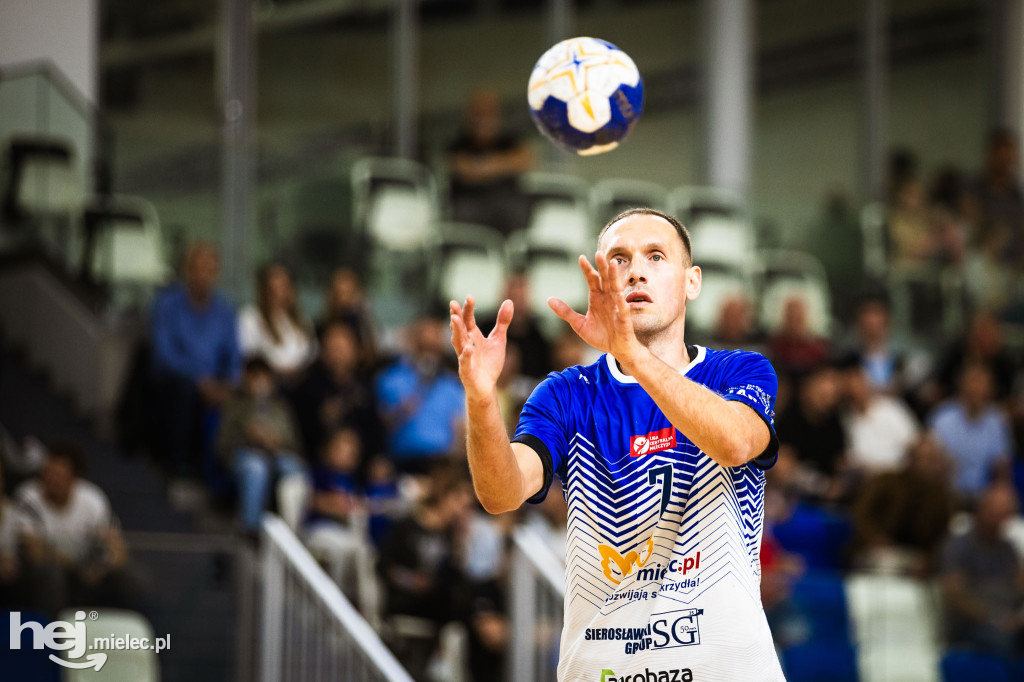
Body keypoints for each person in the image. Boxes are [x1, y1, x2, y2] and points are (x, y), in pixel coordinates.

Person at [449, 208, 786, 679]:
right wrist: (482, 398)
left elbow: (733, 443)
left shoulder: (739, 371)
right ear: (602, 284)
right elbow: (500, 493)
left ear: (692, 282)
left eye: (655, 256)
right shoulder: (566, 393)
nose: (637, 271)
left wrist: (630, 354)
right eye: (620, 261)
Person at [15, 441, 140, 615]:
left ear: (75, 478)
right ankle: (54, 636)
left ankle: (123, 634)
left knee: (132, 578)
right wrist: (78, 569)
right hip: (40, 573)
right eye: (47, 474)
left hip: (87, 570)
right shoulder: (28, 496)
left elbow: (118, 549)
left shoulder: (93, 499)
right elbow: (35, 554)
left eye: (58, 475)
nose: (51, 480)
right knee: (53, 574)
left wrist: (101, 569)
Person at [150, 243, 240, 476]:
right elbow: (164, 353)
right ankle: (178, 463)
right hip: (177, 379)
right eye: (198, 269)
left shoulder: (225, 310)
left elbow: (233, 354)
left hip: (214, 382)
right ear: (188, 271)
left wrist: (229, 382)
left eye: (209, 270)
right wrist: (199, 380)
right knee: (185, 390)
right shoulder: (168, 305)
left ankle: (222, 471)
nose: (204, 276)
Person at [217, 357, 307, 533]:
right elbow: (222, 446)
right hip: (244, 456)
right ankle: (250, 528)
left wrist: (276, 443)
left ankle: (292, 528)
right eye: (254, 378)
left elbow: (295, 446)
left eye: (264, 379)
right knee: (256, 467)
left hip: (277, 456)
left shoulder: (280, 408)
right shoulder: (235, 406)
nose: (259, 384)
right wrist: (246, 436)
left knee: (295, 469)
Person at [941, 482, 1024, 657]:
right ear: (980, 510)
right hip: (970, 624)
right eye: (995, 515)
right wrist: (995, 617)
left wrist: (1016, 617)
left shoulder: (1007, 548)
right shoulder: (959, 545)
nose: (999, 522)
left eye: (1005, 516)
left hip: (1009, 620)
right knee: (1003, 643)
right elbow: (955, 596)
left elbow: (1020, 584)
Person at [375, 318, 466, 475]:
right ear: (411, 343)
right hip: (403, 463)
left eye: (432, 348)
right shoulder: (390, 379)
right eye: (422, 347)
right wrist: (402, 410)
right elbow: (380, 426)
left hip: (442, 466)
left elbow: (460, 431)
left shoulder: (451, 384)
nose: (428, 356)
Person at [446, 88, 533, 236]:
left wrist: (481, 167)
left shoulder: (509, 140)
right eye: (479, 114)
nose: (484, 119)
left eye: (489, 113)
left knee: (517, 214)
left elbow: (525, 160)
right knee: (461, 216)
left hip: (506, 204)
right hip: (470, 203)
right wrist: (501, 164)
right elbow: (462, 168)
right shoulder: (460, 142)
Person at [290, 319, 379, 459]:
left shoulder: (367, 386)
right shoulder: (307, 386)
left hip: (362, 461)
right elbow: (299, 432)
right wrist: (323, 420)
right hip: (317, 460)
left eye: (343, 346)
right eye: (332, 346)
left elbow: (375, 429)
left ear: (356, 350)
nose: (337, 352)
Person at [928, 362, 1013, 502]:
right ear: (962, 387)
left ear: (990, 391)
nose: (976, 390)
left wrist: (1000, 492)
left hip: (983, 496)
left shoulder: (997, 421)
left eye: (981, 386)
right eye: (972, 384)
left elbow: (1002, 466)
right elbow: (931, 462)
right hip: (946, 492)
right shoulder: (942, 418)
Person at [238, 263, 316, 382]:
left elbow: (311, 355)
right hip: (269, 384)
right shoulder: (251, 318)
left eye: (283, 288)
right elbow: (250, 358)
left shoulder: (301, 323)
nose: (279, 294)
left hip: (300, 384)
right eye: (273, 289)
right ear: (264, 290)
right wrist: (279, 371)